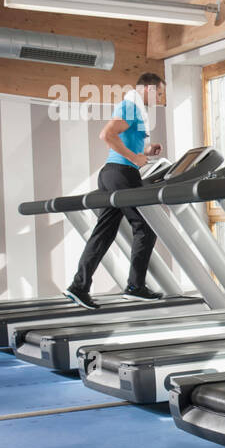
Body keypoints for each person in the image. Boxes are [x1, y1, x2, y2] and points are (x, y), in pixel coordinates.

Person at [64, 72, 166, 309]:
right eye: (159, 93)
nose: (160, 98)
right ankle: (135, 287)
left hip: (111, 173)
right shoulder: (130, 106)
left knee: (104, 232)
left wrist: (147, 151)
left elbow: (126, 140)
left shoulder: (134, 109)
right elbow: (107, 135)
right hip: (122, 173)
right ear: (149, 89)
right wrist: (135, 159)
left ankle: (79, 286)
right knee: (145, 228)